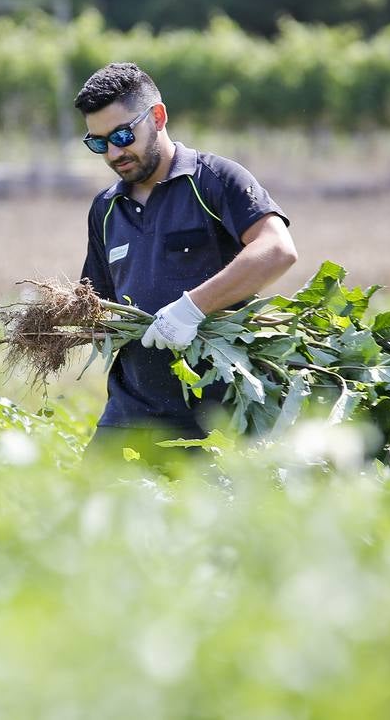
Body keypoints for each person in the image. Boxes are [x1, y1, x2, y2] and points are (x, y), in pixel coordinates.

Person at [75, 62, 298, 469]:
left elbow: (276, 249)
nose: (114, 153)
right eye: (98, 143)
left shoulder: (214, 179)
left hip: (216, 416)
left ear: (157, 117)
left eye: (124, 136)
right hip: (131, 413)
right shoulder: (106, 209)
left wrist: (192, 308)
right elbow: (97, 302)